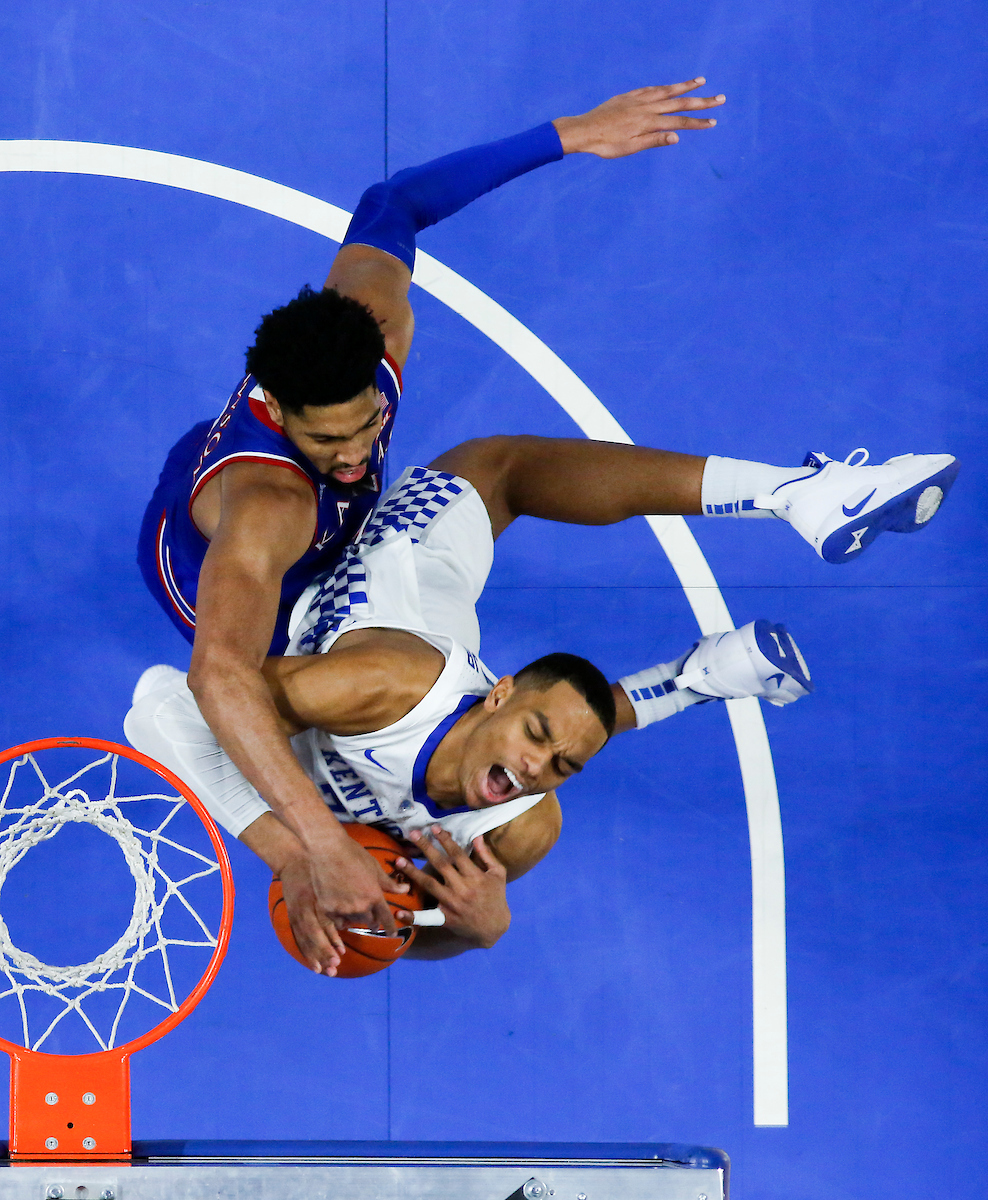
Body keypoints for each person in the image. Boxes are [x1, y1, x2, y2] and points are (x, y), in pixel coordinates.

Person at [135, 80, 959, 966]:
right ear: (278, 411)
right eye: (327, 440)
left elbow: (394, 204)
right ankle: (693, 679)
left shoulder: (367, 337)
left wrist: (572, 134)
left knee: (503, 472)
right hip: (255, 595)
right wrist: (311, 850)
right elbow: (214, 679)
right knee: (299, 714)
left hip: (380, 623)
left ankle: (791, 494)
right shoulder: (269, 504)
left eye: (367, 426)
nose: (355, 454)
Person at [126, 427, 820, 971]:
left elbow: (405, 931)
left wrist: (473, 933)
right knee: (504, 470)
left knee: (571, 726)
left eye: (560, 768)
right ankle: (785, 490)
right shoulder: (384, 687)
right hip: (372, 584)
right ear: (497, 694)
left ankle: (699, 675)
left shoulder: (519, 830)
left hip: (385, 706)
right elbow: (163, 704)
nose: (537, 768)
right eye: (534, 735)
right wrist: (297, 852)